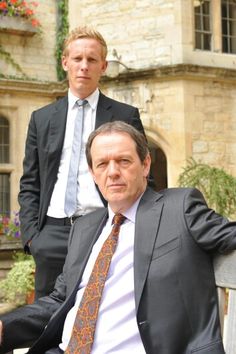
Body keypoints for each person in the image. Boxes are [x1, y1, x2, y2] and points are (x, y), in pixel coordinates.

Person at [0, 121, 236, 354]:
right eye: (102, 164)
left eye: (123, 161)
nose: (112, 172)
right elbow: (60, 300)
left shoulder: (179, 208)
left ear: (145, 165)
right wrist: (4, 327)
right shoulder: (85, 227)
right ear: (93, 173)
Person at [18, 25, 145, 298]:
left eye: (91, 60)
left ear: (104, 66)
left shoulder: (125, 115)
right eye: (77, 59)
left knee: (99, 312)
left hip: (104, 228)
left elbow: (142, 177)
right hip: (51, 233)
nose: (83, 66)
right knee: (46, 322)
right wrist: (32, 237)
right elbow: (30, 181)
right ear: (65, 62)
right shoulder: (41, 119)